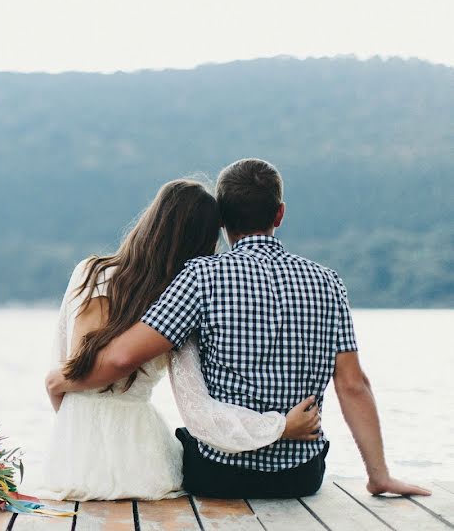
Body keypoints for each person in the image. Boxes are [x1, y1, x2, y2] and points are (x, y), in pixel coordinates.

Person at [46, 158, 431, 499]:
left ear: (224, 220)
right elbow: (353, 384)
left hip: (219, 476)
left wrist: (63, 379)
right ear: (279, 215)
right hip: (301, 476)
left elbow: (121, 357)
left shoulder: (200, 276)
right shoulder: (329, 281)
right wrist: (379, 475)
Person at [38, 178, 319, 501]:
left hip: (74, 449)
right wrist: (279, 426)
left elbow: (64, 367)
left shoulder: (90, 272)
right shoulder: (180, 302)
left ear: (152, 219)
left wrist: (67, 419)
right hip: (141, 454)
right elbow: (197, 408)